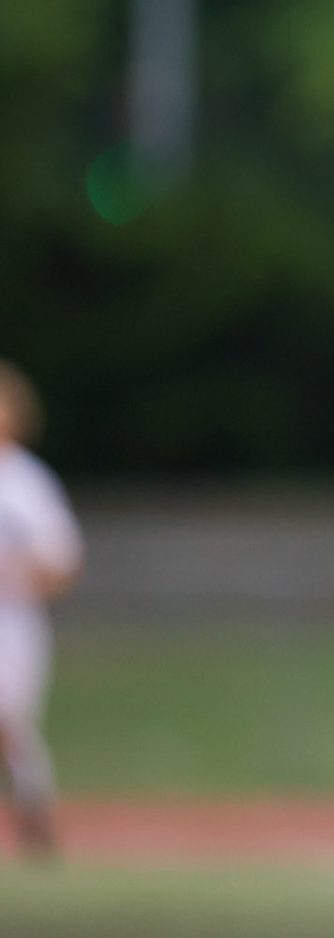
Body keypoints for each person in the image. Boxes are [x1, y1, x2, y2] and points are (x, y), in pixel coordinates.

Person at [0, 362, 83, 858]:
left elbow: (63, 559)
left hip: (12, 620)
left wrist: (19, 572)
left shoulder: (25, 482)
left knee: (9, 720)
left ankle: (34, 811)